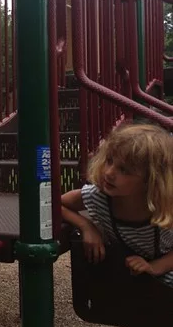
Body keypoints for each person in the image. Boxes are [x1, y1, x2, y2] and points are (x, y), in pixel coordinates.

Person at [61, 122, 173, 286]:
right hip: (127, 272)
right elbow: (54, 203)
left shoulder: (165, 205)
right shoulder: (99, 196)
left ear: (151, 180)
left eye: (124, 170)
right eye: (109, 161)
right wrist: (86, 226)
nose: (109, 172)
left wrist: (153, 267)